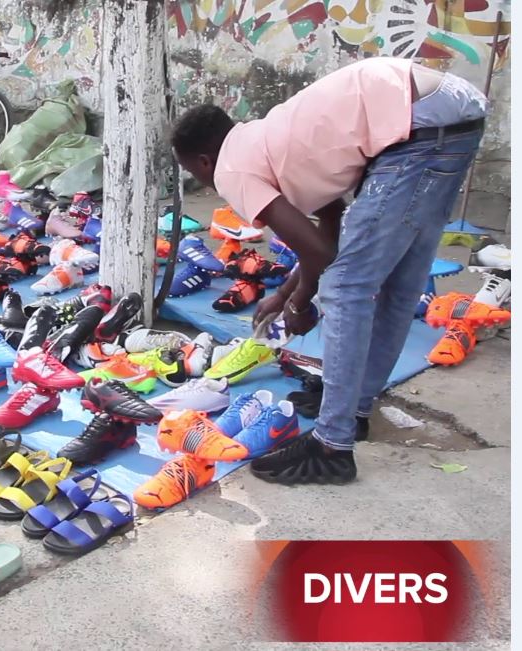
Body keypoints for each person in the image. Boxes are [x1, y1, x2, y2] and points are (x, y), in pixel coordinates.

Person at [171, 58, 487, 486]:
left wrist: (300, 304)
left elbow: (320, 253)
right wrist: (285, 295)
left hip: (420, 126)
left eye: (194, 173)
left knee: (345, 288)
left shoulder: (231, 170)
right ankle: (351, 411)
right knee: (397, 285)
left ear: (204, 162)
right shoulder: (267, 139)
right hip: (450, 111)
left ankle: (332, 446)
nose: (205, 183)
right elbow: (331, 230)